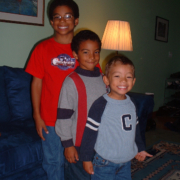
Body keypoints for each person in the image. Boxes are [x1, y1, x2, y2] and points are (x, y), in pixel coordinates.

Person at [25, 0, 80, 179]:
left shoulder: (83, 49)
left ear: (76, 20)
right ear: (51, 22)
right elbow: (36, 83)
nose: (62, 21)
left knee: (75, 162)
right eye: (57, 17)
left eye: (68, 16)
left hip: (76, 118)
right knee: (52, 161)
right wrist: (37, 116)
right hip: (49, 119)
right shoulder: (41, 49)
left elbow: (93, 79)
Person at [80, 56, 153, 180]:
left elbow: (135, 129)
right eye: (117, 76)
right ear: (106, 80)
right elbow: (89, 133)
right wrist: (86, 158)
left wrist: (140, 148)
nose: (123, 80)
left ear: (133, 81)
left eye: (128, 77)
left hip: (126, 162)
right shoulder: (100, 105)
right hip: (105, 162)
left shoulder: (132, 103)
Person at [55, 30, 107, 180]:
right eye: (86, 52)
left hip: (101, 143)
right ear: (76, 54)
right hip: (79, 144)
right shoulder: (72, 81)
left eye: (96, 52)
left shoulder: (104, 80)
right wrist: (68, 145)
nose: (92, 57)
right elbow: (64, 116)